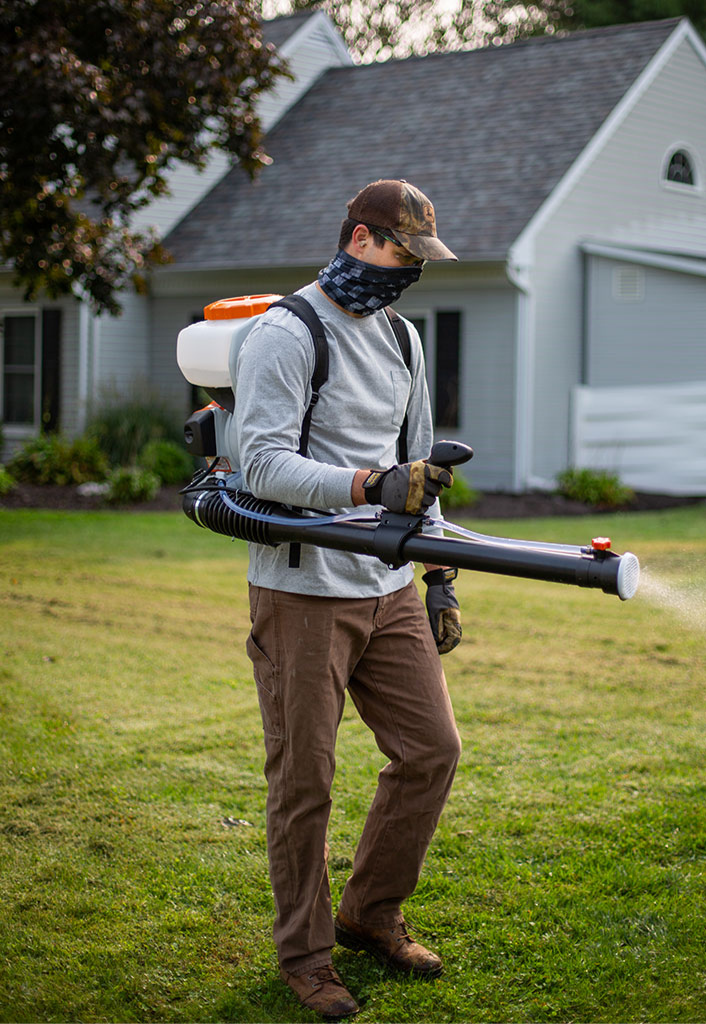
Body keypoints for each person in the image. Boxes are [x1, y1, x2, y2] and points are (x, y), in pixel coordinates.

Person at [234, 179, 463, 1020]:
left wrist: (438, 577)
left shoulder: (402, 337)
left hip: (390, 586)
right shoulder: (286, 333)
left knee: (431, 751)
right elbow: (260, 465)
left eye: (421, 260)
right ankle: (306, 957)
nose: (412, 271)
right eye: (404, 254)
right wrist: (368, 483)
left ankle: (369, 913)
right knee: (306, 782)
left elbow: (421, 468)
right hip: (302, 591)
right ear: (361, 240)